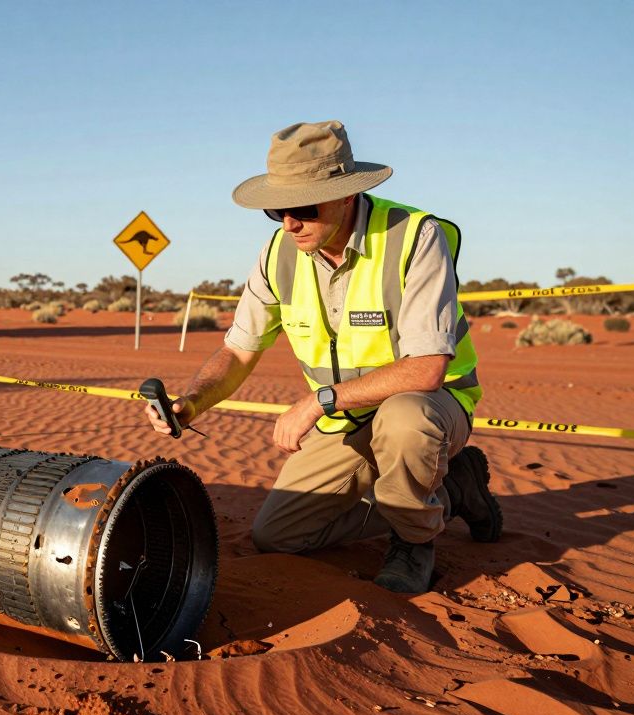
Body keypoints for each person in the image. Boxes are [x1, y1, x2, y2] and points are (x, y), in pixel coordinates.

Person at [145, 120, 502, 593]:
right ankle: (453, 492)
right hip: (347, 416)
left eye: (303, 208)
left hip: (431, 406)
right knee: (279, 536)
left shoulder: (415, 236)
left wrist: (319, 401)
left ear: (347, 195)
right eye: (277, 211)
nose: (290, 223)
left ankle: (413, 538)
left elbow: (427, 367)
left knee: (405, 418)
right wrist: (190, 402)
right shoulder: (279, 254)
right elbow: (238, 349)